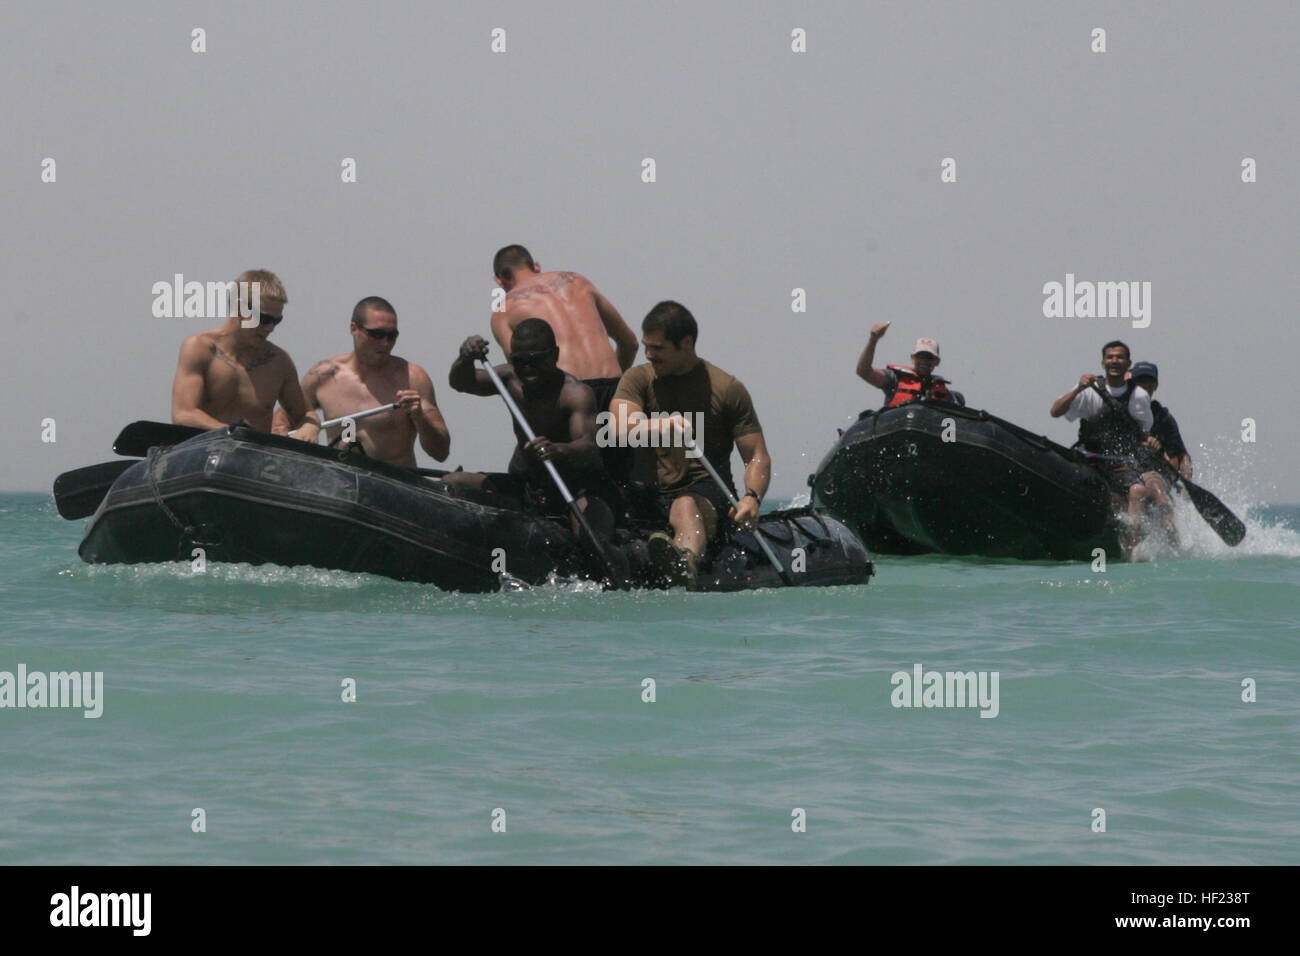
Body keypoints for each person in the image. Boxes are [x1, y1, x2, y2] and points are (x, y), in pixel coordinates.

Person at [448, 319, 626, 578]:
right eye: (520, 361)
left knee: (592, 540)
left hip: (577, 489)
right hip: (530, 484)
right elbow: (461, 383)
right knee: (453, 482)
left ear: (554, 355)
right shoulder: (509, 379)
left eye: (535, 359)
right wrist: (465, 358)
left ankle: (625, 582)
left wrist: (558, 450)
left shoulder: (575, 393)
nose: (528, 369)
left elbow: (589, 447)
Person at [610, 301, 769, 588]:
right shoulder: (637, 379)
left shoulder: (727, 388)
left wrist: (752, 497)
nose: (648, 354)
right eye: (646, 346)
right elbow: (620, 426)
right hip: (648, 493)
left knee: (685, 506)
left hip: (705, 492)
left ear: (686, 343)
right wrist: (661, 424)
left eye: (658, 348)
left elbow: (756, 455)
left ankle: (684, 562)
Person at [271, 297, 449, 468]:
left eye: (391, 336)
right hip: (336, 482)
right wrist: (295, 434)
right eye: (377, 334)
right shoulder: (322, 375)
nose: (385, 343)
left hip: (393, 484)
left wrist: (420, 418)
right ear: (354, 328)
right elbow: (285, 416)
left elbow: (441, 452)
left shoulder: (413, 378)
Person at [489, 244, 639, 436]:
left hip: (571, 397)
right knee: (625, 465)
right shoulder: (579, 281)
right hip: (617, 390)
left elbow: (521, 373)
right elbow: (630, 342)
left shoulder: (504, 310)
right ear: (536, 266)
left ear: (499, 281)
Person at [1049, 341, 1174, 549]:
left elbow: (1143, 433)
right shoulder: (1089, 390)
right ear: (1103, 362)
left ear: (1128, 365)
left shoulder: (1138, 396)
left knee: (1137, 490)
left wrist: (1151, 441)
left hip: (1120, 461)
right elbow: (1055, 411)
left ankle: (1132, 546)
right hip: (1088, 458)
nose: (1114, 361)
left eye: (1119, 357)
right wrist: (1079, 388)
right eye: (1110, 357)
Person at [171, 269, 317, 438]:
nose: (270, 328)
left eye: (277, 321)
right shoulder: (200, 348)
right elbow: (183, 414)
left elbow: (306, 414)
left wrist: (310, 427)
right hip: (204, 455)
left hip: (253, 461)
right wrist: (234, 433)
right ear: (240, 308)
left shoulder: (279, 362)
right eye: (264, 319)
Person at [855, 323, 962, 406]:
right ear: (912, 358)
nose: (924, 361)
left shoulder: (946, 393)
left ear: (937, 362)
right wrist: (873, 339)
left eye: (929, 358)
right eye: (920, 357)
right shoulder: (895, 379)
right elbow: (863, 372)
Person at [1129, 361, 1192, 479]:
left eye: (1149, 382)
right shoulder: (1121, 407)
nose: (1144, 386)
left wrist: (1186, 478)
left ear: (1155, 385)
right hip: (1124, 470)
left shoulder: (1162, 417)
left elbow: (1181, 455)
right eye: (1140, 381)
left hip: (1155, 474)